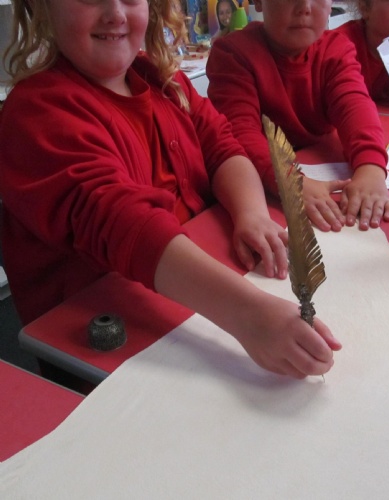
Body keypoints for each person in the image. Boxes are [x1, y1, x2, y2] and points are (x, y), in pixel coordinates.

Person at [0, 0, 342, 379]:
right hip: (99, 347)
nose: (115, 14)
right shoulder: (36, 112)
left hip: (193, 298)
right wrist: (249, 314)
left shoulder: (164, 80)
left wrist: (252, 213)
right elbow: (125, 225)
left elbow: (223, 147)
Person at [207, 0, 389, 233]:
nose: (305, 6)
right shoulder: (232, 54)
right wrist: (290, 181)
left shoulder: (336, 49)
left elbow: (356, 108)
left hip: (317, 168)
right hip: (258, 190)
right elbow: (239, 132)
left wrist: (371, 168)